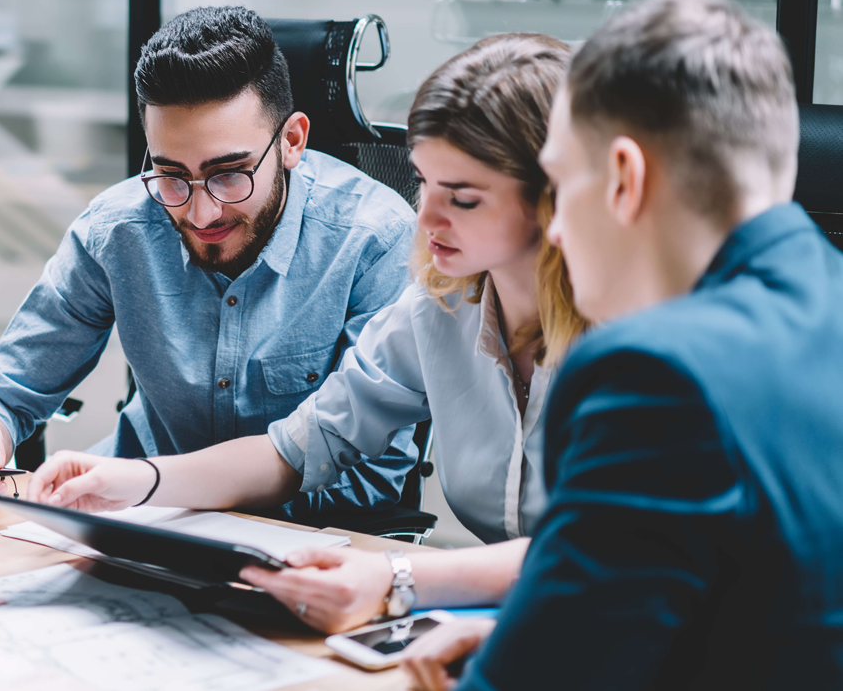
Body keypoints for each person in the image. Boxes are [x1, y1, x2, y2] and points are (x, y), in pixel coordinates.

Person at [29, 33, 589, 633]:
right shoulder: (441, 308)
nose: (423, 218)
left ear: (555, 197)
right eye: (423, 182)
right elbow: (296, 448)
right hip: (527, 617)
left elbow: (613, 548)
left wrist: (397, 579)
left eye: (464, 197)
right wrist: (137, 482)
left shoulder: (633, 337)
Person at [399, 0, 843, 690]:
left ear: (626, 179)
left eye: (562, 184)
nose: (555, 229)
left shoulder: (652, 374)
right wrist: (534, 627)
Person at [0, 6, 419, 524]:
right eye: (172, 175)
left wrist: (166, 494)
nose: (200, 212)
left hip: (299, 544)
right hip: (125, 519)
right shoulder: (117, 229)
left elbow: (370, 481)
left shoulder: (374, 239)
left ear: (291, 141)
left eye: (229, 174)